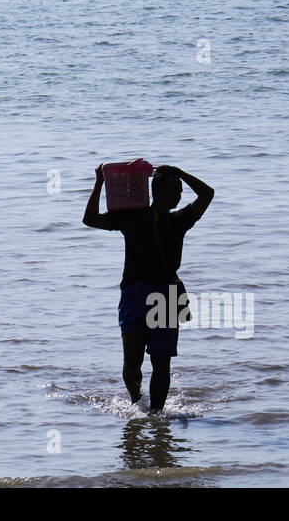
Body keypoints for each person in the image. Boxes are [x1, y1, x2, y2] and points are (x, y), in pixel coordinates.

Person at [82, 164, 214, 412]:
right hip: (134, 292)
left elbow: (207, 194)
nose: (180, 195)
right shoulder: (133, 218)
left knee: (161, 363)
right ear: (157, 191)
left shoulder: (179, 220)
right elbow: (89, 219)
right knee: (132, 362)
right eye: (175, 189)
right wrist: (99, 182)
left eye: (181, 190)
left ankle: (156, 415)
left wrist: (180, 172)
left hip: (166, 294)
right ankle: (137, 402)